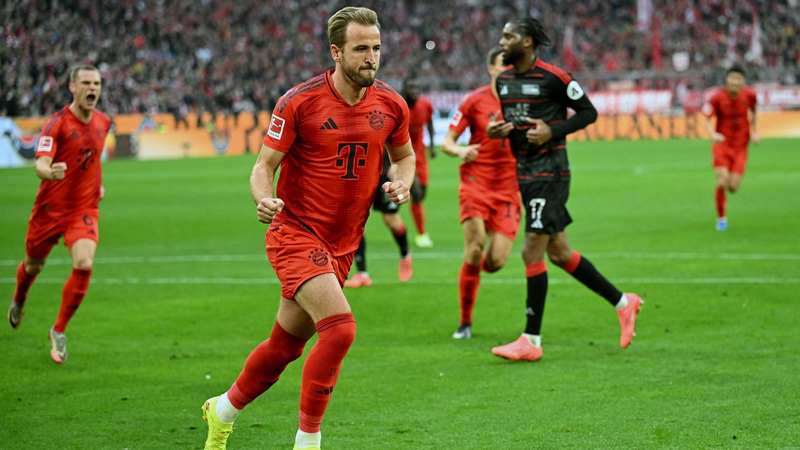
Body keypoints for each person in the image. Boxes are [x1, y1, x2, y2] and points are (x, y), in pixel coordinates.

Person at [201, 7, 415, 450]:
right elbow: (263, 167)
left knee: (284, 348)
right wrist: (264, 198)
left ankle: (221, 411)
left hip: (343, 244)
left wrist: (402, 181)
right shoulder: (299, 102)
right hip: (295, 233)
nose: (371, 57)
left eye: (376, 48)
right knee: (340, 329)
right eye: (361, 49)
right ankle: (308, 442)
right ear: (336, 52)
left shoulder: (392, 104)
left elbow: (405, 156)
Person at [486, 18, 643, 362]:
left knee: (531, 250)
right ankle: (624, 302)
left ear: (527, 42)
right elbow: (516, 123)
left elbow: (588, 112)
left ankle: (531, 340)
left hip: (551, 173)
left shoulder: (554, 77)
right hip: (525, 174)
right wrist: (498, 131)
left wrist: (552, 131)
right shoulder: (505, 81)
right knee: (559, 253)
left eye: (509, 36)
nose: (502, 42)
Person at [8, 65, 111, 364]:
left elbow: (92, 160)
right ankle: (19, 298)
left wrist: (98, 185)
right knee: (33, 266)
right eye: (86, 83)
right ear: (72, 87)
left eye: (96, 83)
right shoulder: (57, 124)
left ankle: (59, 329)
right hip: (50, 209)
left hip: (84, 209)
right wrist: (49, 172)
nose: (92, 88)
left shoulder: (103, 122)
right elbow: (41, 162)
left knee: (84, 262)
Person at [440, 47, 520, 339]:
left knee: (496, 262)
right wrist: (461, 150)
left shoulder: (523, 102)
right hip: (476, 182)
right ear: (491, 69)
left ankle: (471, 273)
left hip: (509, 188)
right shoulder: (474, 100)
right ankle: (465, 321)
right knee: (474, 248)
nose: (509, 69)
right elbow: (447, 142)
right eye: (503, 64)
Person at [344, 149, 413, 287]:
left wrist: (396, 169)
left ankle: (405, 255)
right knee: (355, 223)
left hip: (384, 174)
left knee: (392, 222)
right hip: (358, 175)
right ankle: (362, 274)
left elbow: (403, 150)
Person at [701, 66, 758, 231]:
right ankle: (721, 219)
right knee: (722, 181)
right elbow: (705, 119)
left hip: (741, 147)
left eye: (738, 79)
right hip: (722, 145)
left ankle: (724, 198)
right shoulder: (717, 98)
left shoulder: (750, 96)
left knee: (732, 187)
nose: (735, 82)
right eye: (733, 78)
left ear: (743, 81)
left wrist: (755, 132)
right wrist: (713, 134)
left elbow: (754, 111)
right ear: (727, 79)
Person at [402, 77, 436, 247]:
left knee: (421, 194)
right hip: (403, 155)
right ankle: (422, 234)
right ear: (405, 90)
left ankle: (420, 231)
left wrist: (432, 145)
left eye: (416, 88)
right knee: (415, 193)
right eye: (411, 88)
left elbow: (429, 122)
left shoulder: (425, 105)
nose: (414, 91)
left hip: (420, 155)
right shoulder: (399, 107)